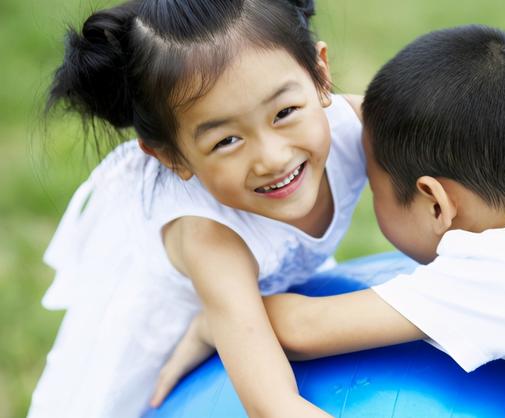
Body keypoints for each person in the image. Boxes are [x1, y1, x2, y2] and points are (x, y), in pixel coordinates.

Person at [171, 26, 505, 418]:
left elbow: (303, 328)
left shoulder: (491, 273)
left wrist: (216, 323)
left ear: (435, 203)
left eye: (373, 187)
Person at [28, 0, 367, 417]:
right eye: (226, 141)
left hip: (248, 298)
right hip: (149, 345)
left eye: (284, 112)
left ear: (319, 74)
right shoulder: (207, 234)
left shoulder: (365, 125)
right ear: (172, 157)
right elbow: (273, 405)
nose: (272, 158)